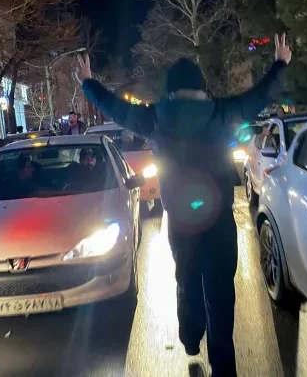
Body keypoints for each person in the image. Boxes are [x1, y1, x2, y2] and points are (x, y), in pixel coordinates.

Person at [77, 34, 291, 376]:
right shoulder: (223, 111)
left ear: (172, 89)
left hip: (180, 218)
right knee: (220, 287)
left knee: (187, 277)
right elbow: (260, 95)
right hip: (218, 217)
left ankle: (191, 337)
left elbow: (115, 108)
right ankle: (224, 366)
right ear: (200, 86)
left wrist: (89, 82)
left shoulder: (153, 117)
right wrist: (280, 63)